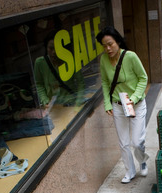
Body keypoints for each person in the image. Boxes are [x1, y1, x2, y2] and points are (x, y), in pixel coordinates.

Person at [96, 26, 149, 183]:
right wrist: (107, 104)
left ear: (118, 41)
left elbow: (143, 78)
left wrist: (134, 97)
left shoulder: (130, 56)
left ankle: (143, 160)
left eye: (110, 44)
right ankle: (130, 171)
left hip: (136, 104)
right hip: (118, 105)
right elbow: (105, 82)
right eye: (104, 45)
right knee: (124, 142)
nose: (108, 48)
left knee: (137, 142)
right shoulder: (104, 60)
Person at [34, 31, 85, 108]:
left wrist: (78, 103)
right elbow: (39, 84)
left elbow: (81, 82)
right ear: (46, 48)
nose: (53, 52)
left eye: (57, 48)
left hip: (71, 104)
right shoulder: (40, 63)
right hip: (54, 107)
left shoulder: (71, 60)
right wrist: (45, 101)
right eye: (51, 48)